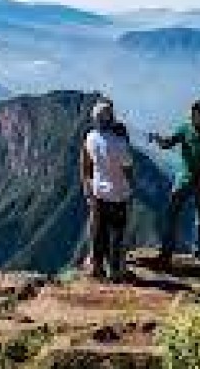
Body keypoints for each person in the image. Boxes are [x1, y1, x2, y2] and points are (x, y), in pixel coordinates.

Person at [149, 100, 200, 267]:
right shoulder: (184, 128)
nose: (190, 116)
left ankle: (198, 252)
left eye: (194, 114)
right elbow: (168, 143)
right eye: (190, 113)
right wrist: (157, 139)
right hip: (183, 178)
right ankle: (166, 250)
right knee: (171, 213)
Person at [80, 100, 134, 282]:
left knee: (99, 232)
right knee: (117, 232)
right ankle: (116, 270)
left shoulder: (90, 138)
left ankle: (96, 266)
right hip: (118, 194)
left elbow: (86, 164)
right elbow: (128, 168)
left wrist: (87, 187)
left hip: (98, 192)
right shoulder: (119, 143)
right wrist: (131, 186)